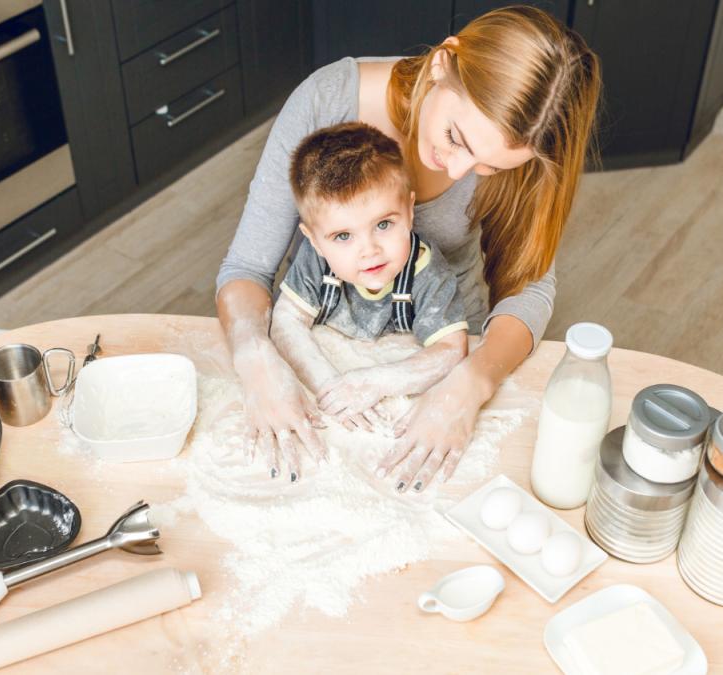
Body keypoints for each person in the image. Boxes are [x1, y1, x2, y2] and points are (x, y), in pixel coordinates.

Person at [216, 6, 601, 491]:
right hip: (320, 337)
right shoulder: (328, 98)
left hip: (447, 351)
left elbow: (529, 284)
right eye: (455, 139)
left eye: (490, 168)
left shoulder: (521, 143)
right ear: (443, 62)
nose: (460, 171)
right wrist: (255, 354)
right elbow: (246, 267)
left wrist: (472, 382)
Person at [270, 122, 469, 483]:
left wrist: (377, 382)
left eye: (383, 225)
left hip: (389, 418)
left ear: (409, 211)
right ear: (312, 239)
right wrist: (329, 385)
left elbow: (451, 349)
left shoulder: (426, 272)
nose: (369, 250)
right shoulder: (317, 261)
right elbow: (285, 321)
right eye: (343, 235)